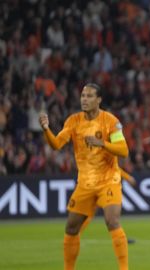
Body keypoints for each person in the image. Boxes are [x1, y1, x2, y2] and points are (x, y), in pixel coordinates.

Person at [39, 83, 130, 270]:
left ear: (99, 100)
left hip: (108, 181)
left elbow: (124, 151)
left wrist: (102, 143)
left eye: (89, 96)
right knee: (71, 228)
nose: (84, 99)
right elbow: (56, 144)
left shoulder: (110, 121)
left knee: (112, 221)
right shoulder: (73, 121)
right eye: (82, 96)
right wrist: (46, 130)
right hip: (85, 184)